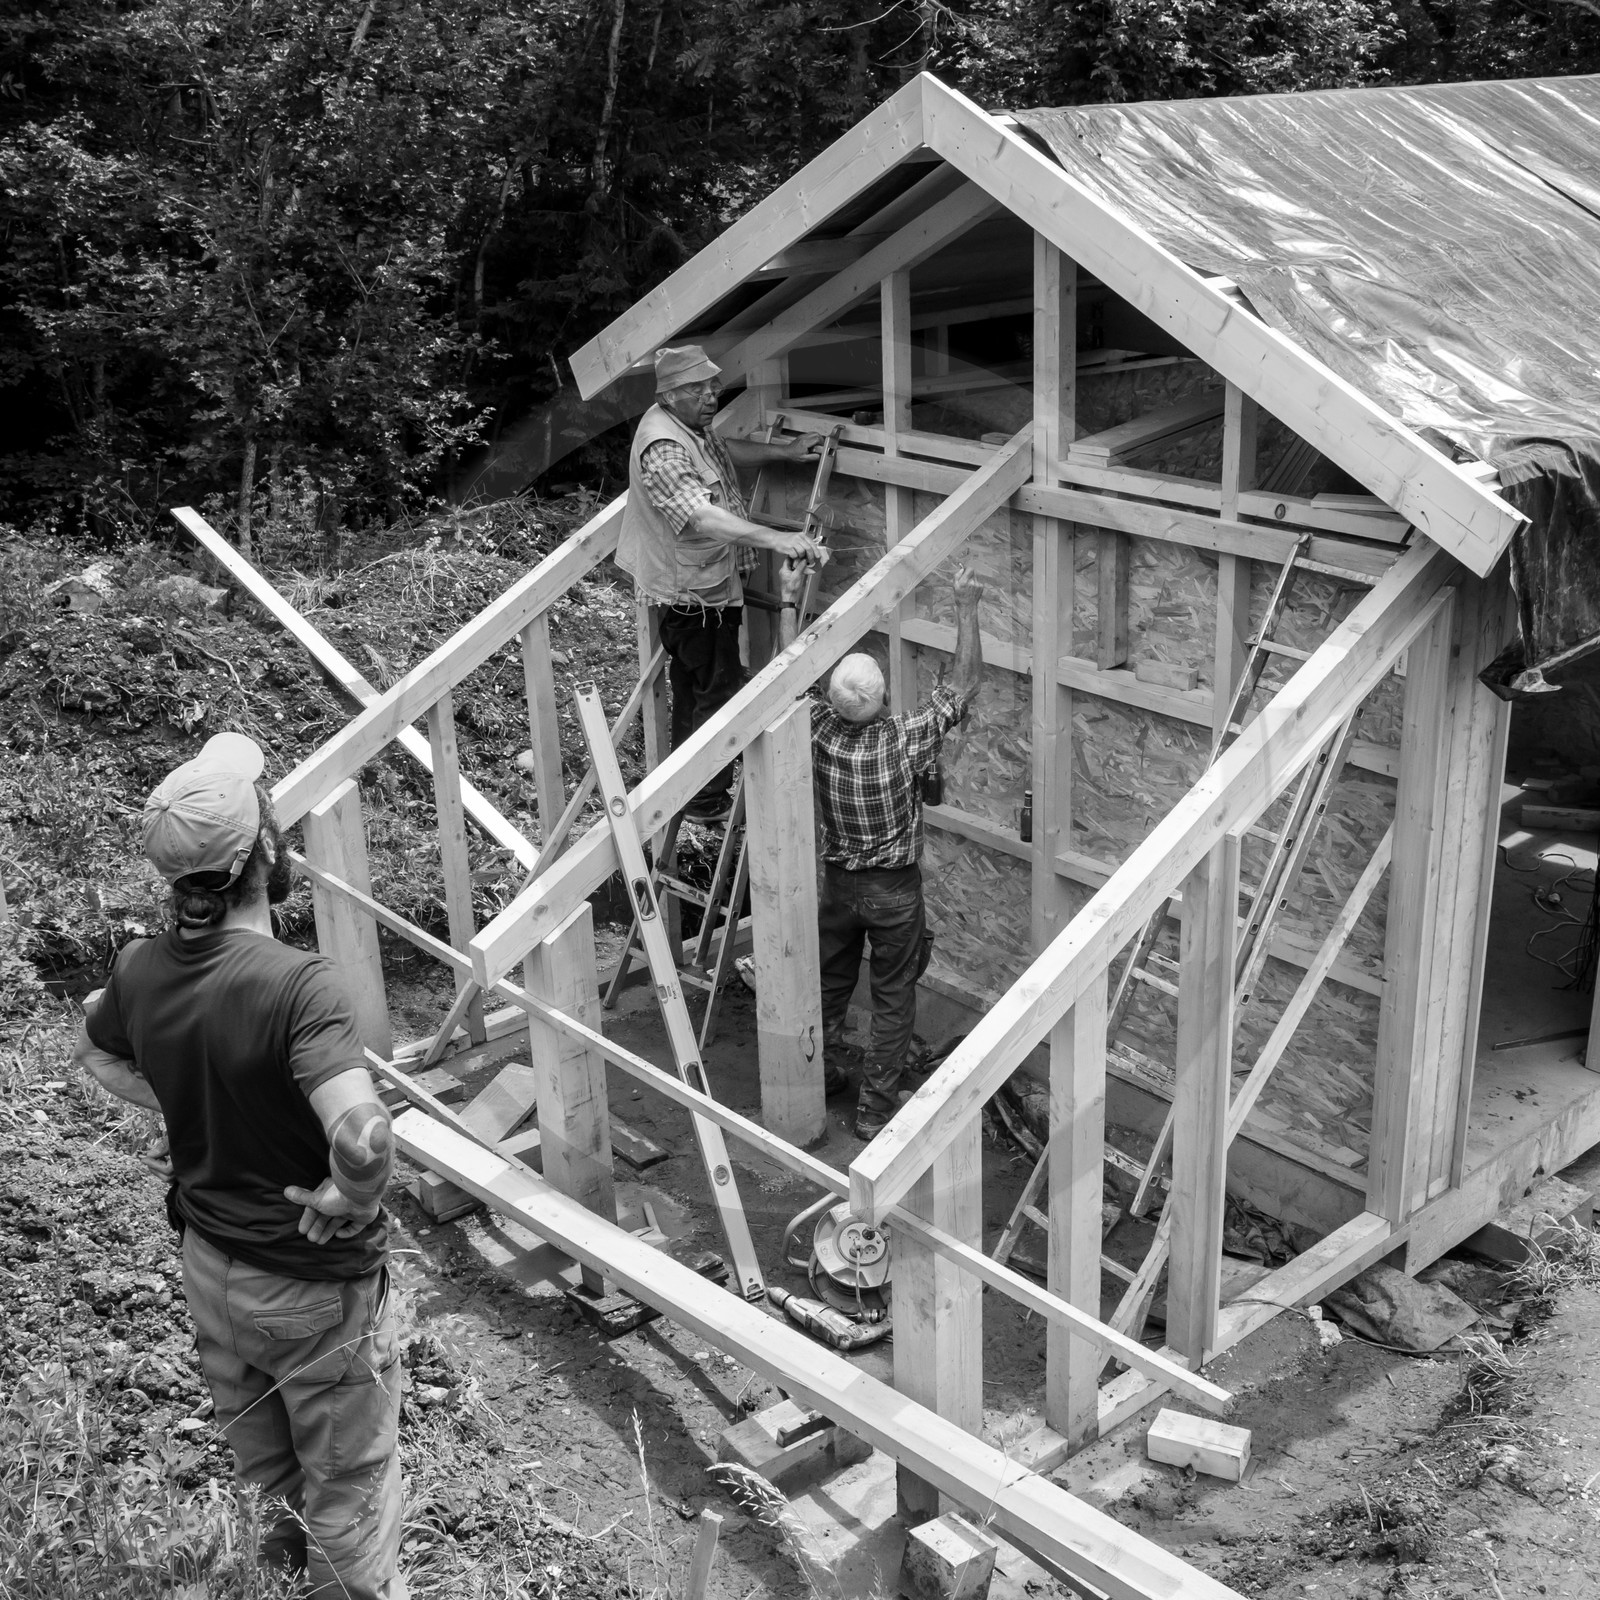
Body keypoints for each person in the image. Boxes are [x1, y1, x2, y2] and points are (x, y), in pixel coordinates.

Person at [73, 732, 406, 1600]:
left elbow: (100, 1055)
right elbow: (364, 1135)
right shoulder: (300, 987)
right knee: (349, 1490)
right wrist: (353, 1190)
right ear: (265, 851)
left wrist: (189, 1103)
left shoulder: (139, 968)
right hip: (305, 1287)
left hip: (211, 1269)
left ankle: (275, 1586)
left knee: (267, 1475)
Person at [776, 558, 985, 1139]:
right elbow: (963, 685)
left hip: (839, 886)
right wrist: (966, 606)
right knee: (893, 999)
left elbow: (784, 676)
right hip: (894, 892)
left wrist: (792, 600)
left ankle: (815, 1081)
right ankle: (873, 1112)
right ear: (884, 696)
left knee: (830, 984)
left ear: (832, 696)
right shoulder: (903, 739)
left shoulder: (815, 727)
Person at [616, 343, 829, 822]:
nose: (712, 394)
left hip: (708, 585)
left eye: (713, 385)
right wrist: (777, 539)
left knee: (695, 688)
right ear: (670, 394)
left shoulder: (687, 425)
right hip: (692, 595)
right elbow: (703, 517)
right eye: (699, 388)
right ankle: (706, 798)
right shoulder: (663, 448)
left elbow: (722, 450)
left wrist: (785, 451)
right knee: (720, 688)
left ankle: (688, 788)